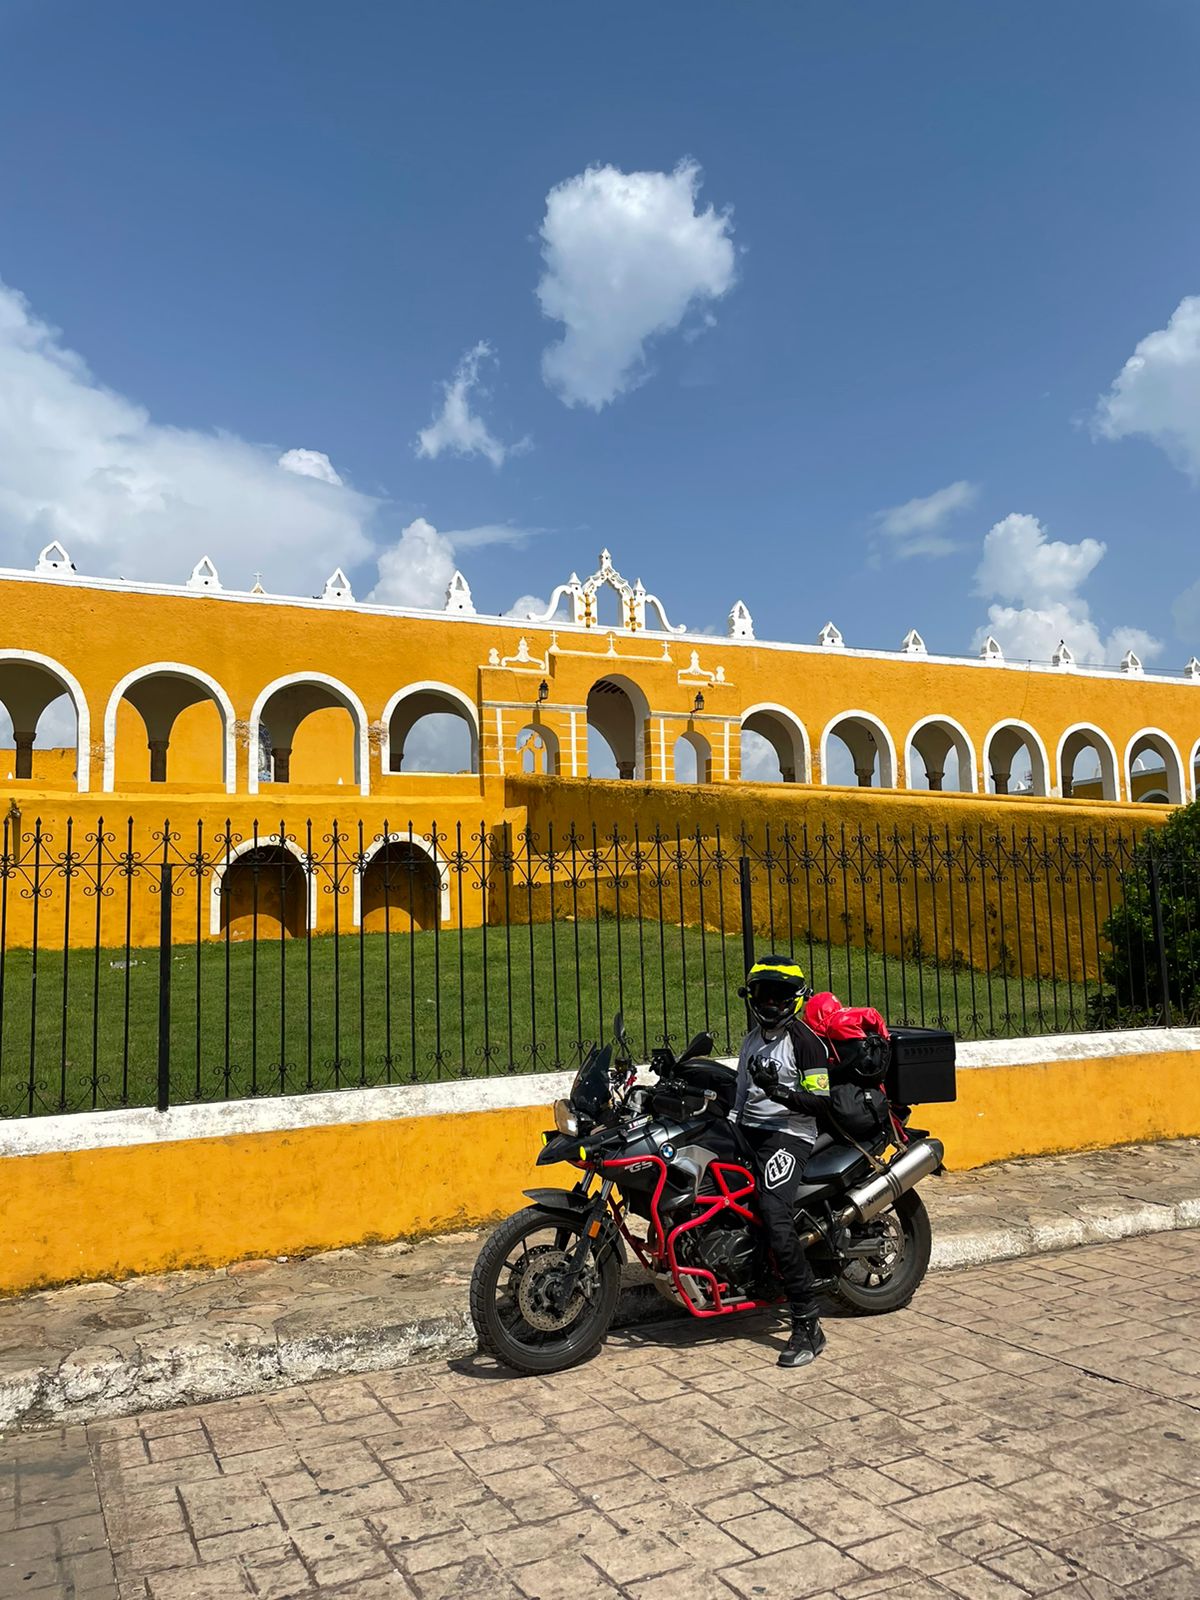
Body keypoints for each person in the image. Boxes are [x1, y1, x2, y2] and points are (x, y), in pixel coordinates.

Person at [733, 954, 831, 1369]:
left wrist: (780, 1093)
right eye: (763, 994)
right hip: (750, 1130)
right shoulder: (751, 1039)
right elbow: (739, 1097)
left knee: (775, 1213)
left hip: (790, 1136)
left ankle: (808, 1321)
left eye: (779, 996)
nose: (770, 1003)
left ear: (795, 999)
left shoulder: (806, 1042)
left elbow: (819, 1103)